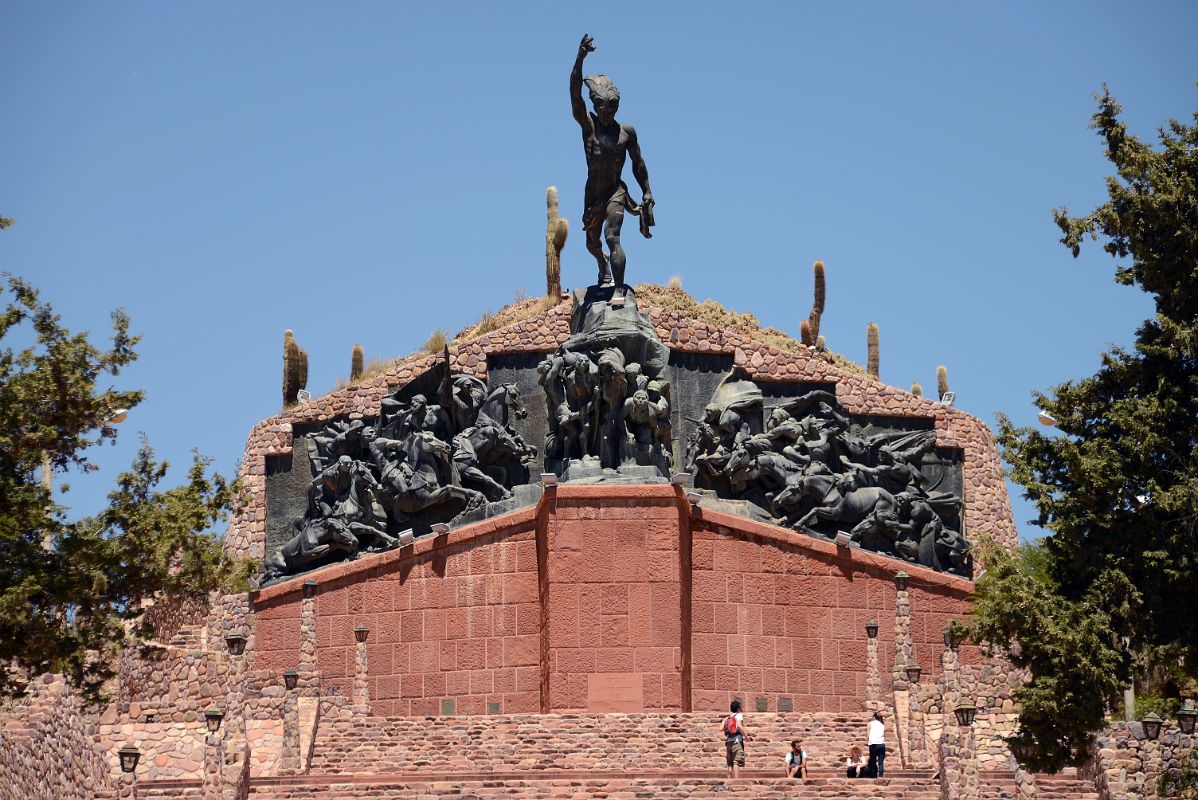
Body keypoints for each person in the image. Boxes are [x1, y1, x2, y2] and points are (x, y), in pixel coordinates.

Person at [570, 34, 654, 296]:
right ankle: (601, 263)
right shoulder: (589, 125)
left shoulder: (626, 133)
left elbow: (638, 163)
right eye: (603, 109)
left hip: (616, 191)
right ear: (596, 106)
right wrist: (580, 59)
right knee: (592, 243)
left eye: (612, 109)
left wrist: (647, 191)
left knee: (612, 236)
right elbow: (574, 94)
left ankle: (618, 290)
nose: (607, 114)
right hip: (593, 195)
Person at [723, 699, 750, 778]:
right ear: (738, 708)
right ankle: (736, 781)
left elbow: (720, 728)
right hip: (737, 741)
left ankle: (728, 780)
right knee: (736, 762)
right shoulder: (739, 715)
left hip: (729, 741)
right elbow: (739, 726)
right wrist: (746, 737)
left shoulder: (727, 718)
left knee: (729, 763)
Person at [867, 710, 887, 778]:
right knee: (880, 762)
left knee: (873, 761)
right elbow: (884, 735)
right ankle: (881, 776)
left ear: (874, 717)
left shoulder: (870, 723)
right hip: (881, 744)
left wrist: (868, 742)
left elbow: (868, 735)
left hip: (873, 744)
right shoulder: (882, 724)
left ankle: (873, 776)